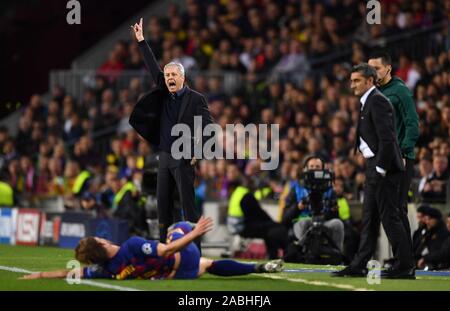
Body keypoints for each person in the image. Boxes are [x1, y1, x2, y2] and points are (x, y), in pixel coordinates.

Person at [129, 18, 214, 247]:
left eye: (173, 75)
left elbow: (209, 128)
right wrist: (141, 41)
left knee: (188, 208)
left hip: (185, 157)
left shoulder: (196, 99)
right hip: (164, 157)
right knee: (162, 207)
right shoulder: (164, 93)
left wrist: (198, 151)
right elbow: (152, 66)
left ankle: (194, 251)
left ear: (183, 77)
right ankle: (163, 252)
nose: (169, 79)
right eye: (167, 76)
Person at [332, 63, 415, 279]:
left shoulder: (377, 101)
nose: (352, 85)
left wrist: (380, 169)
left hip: (384, 168)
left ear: (370, 80)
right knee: (370, 218)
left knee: (389, 218)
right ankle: (359, 264)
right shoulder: (369, 101)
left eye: (357, 80)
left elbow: (388, 140)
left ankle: (405, 267)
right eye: (351, 81)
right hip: (375, 165)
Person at [20, 217, 283, 280]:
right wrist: (193, 232)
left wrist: (41, 275)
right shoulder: (132, 245)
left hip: (180, 275)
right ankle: (258, 266)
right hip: (182, 257)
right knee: (175, 228)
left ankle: (258, 267)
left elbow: (72, 274)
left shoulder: (104, 270)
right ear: (100, 243)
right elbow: (168, 250)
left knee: (208, 265)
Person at [368, 51, 419, 270]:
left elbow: (412, 124)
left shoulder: (400, 92)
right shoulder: (374, 92)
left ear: (388, 68)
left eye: (376, 68)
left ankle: (405, 262)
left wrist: (406, 152)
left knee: (397, 209)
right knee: (388, 210)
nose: (373, 73)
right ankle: (403, 260)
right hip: (382, 159)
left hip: (401, 160)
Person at [282, 157, 345, 253]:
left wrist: (333, 210)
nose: (314, 169)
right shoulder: (296, 188)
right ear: (305, 170)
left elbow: (335, 215)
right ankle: (302, 254)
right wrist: (298, 207)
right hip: (302, 221)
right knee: (305, 222)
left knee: (337, 224)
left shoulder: (329, 189)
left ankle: (337, 254)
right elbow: (285, 217)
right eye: (311, 166)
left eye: (317, 167)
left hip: (323, 221)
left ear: (323, 170)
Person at [226, 164, 287, 259]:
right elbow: (258, 214)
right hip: (242, 227)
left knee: (268, 228)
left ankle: (272, 255)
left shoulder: (238, 191)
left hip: (236, 226)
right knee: (271, 229)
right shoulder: (247, 195)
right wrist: (272, 223)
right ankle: (274, 255)